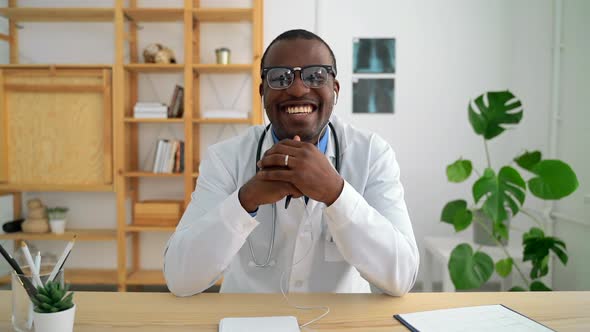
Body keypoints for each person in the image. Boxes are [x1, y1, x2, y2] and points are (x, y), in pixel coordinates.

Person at [164, 29, 419, 297]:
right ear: (263, 92)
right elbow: (180, 279)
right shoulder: (226, 158)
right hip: (249, 321)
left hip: (339, 322)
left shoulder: (371, 154)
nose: (297, 88)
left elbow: (401, 277)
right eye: (280, 77)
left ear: (335, 89)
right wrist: (245, 200)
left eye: (316, 75)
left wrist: (337, 193)